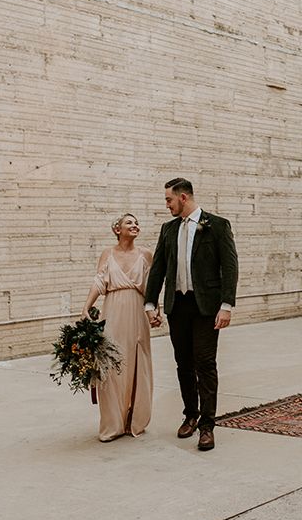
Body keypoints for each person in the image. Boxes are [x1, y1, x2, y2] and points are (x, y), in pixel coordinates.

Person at [144, 178, 238, 451]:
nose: (167, 205)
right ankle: (191, 415)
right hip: (178, 306)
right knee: (183, 363)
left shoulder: (217, 225)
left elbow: (230, 267)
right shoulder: (168, 229)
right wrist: (150, 303)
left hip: (206, 306)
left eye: (169, 200)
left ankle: (207, 426)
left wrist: (226, 305)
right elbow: (158, 268)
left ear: (183, 197)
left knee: (205, 363)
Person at [82, 213, 157, 442]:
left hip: (137, 312)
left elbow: (152, 288)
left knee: (138, 364)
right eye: (129, 222)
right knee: (112, 365)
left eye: (137, 223)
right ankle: (112, 424)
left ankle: (134, 420)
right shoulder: (108, 253)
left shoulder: (146, 254)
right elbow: (99, 281)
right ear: (117, 229)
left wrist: (155, 311)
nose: (135, 225)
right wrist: (86, 307)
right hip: (113, 312)